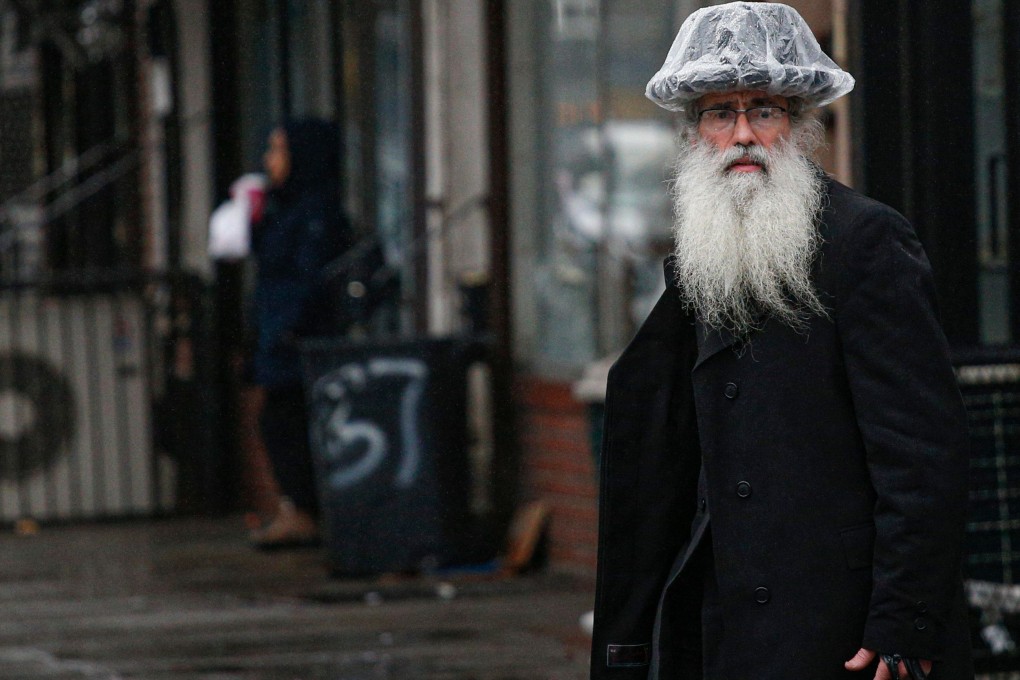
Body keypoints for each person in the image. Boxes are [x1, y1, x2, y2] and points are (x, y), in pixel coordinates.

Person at [589, 4, 973, 680]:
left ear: (797, 127)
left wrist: (904, 621)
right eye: (719, 113)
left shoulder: (867, 242)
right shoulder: (700, 255)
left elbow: (922, 455)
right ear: (695, 134)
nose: (742, 134)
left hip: (837, 626)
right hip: (722, 622)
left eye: (762, 110)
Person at [249, 118, 350, 549]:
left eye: (278, 150)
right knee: (278, 420)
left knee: (286, 420)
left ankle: (305, 508)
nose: (270, 161)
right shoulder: (283, 206)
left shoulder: (316, 212)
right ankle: (299, 506)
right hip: (278, 330)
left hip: (298, 336)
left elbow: (305, 275)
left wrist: (287, 326)